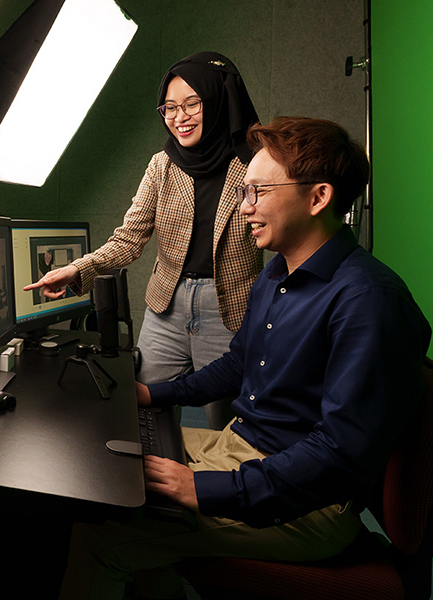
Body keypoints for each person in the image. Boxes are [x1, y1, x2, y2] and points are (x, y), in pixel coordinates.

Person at [57, 116, 432, 600]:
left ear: (318, 197)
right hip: (242, 448)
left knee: (101, 535)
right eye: (244, 192)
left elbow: (338, 458)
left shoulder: (368, 301)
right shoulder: (276, 273)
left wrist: (204, 490)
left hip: (311, 503)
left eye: (257, 192)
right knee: (111, 460)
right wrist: (154, 393)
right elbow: (239, 364)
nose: (244, 208)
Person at [24, 52, 264, 429]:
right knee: (140, 413)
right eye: (169, 108)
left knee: (226, 425)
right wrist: (75, 269)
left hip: (230, 308)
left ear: (218, 101)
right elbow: (129, 239)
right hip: (166, 306)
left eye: (191, 104)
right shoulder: (161, 165)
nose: (179, 117)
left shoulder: (256, 163)